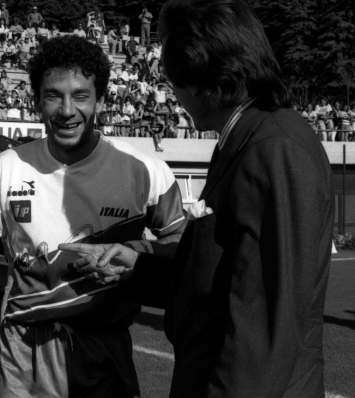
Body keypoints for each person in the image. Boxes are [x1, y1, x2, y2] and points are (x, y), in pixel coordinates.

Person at [62, 1, 335, 397]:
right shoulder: (247, 139)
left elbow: (267, 322)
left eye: (175, 83)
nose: (174, 98)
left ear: (206, 76)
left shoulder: (275, 149)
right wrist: (138, 268)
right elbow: (220, 276)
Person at [0, 35, 186, 398]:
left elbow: (182, 249)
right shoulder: (7, 167)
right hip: (23, 354)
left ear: (101, 100)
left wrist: (137, 256)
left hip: (105, 352)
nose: (66, 110)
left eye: (80, 95)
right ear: (36, 101)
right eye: (53, 95)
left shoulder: (146, 170)